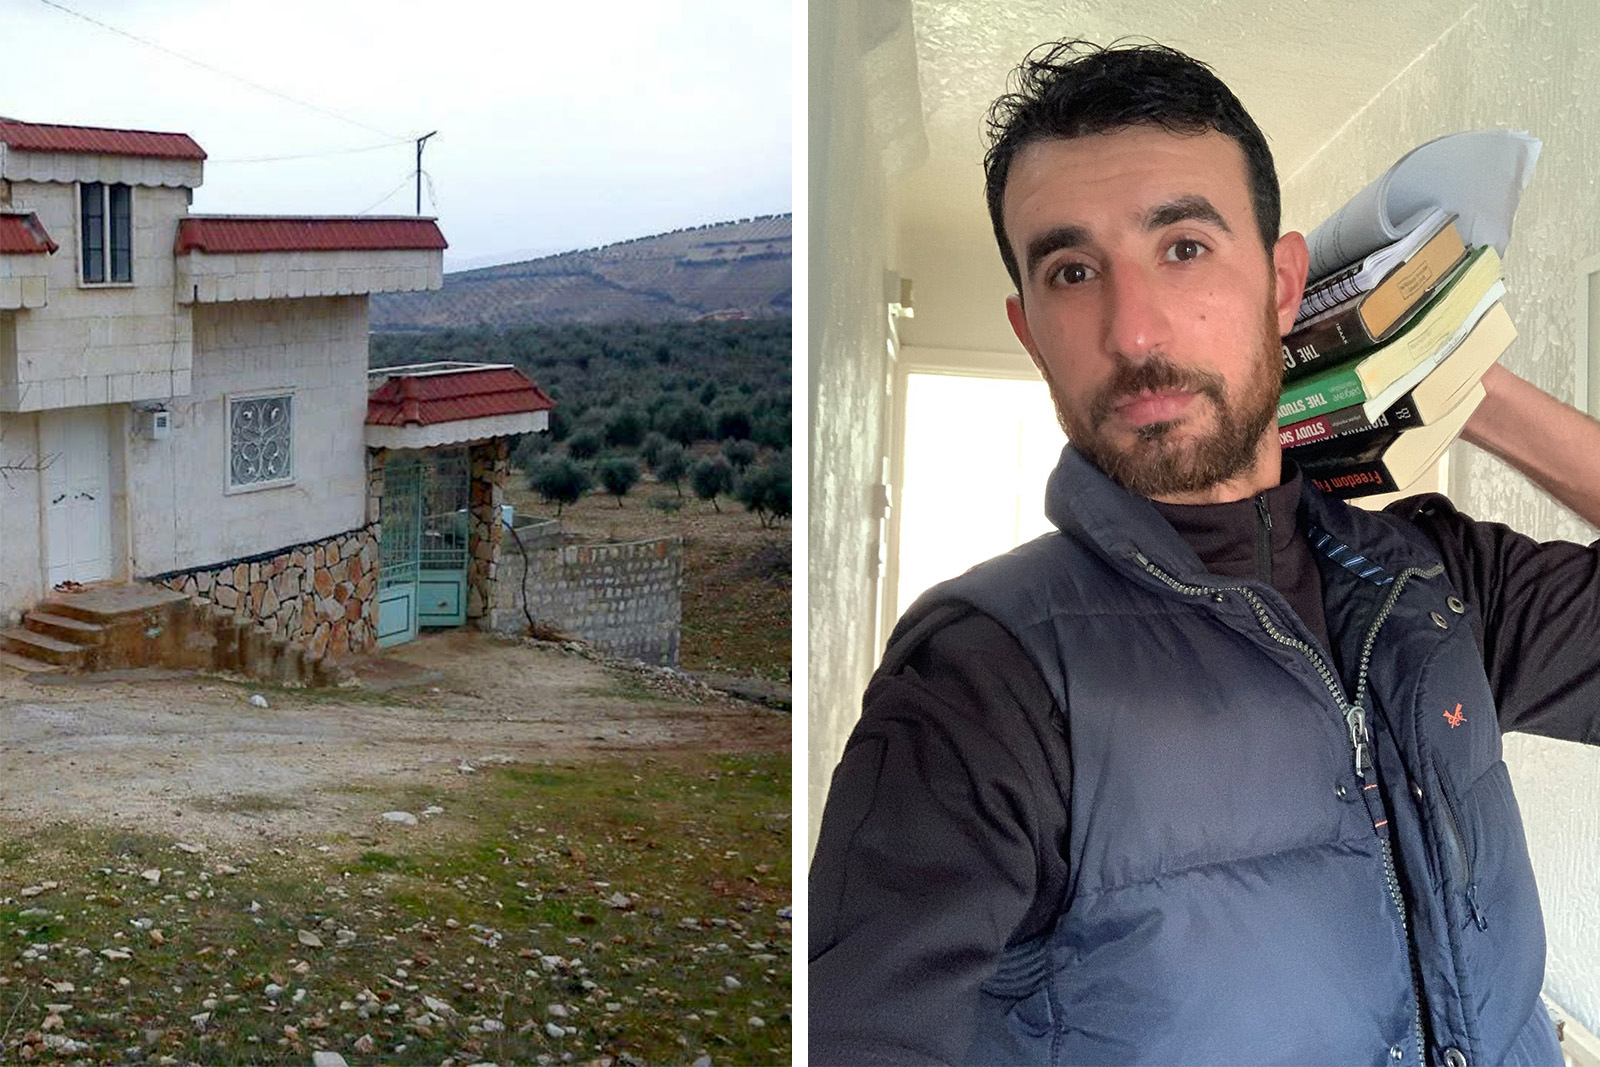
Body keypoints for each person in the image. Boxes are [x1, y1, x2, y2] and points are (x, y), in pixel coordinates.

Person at [808, 39, 1600, 1066]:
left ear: (1283, 289)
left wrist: (1446, 368)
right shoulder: (982, 679)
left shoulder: (1436, 584)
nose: (1134, 329)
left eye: (1183, 247)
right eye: (1073, 269)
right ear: (1029, 329)